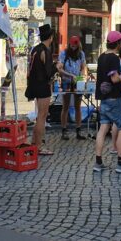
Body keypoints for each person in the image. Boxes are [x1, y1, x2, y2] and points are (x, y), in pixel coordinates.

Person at [93, 31, 121, 173]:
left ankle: (98, 163)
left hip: (103, 99)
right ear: (117, 43)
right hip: (114, 98)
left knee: (103, 128)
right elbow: (115, 79)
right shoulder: (113, 58)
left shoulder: (101, 57)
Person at [25, 24, 55, 155]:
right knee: (42, 117)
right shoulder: (45, 51)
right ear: (51, 37)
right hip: (43, 86)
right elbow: (49, 72)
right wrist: (57, 66)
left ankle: (33, 142)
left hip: (34, 85)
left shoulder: (35, 49)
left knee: (39, 116)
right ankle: (38, 146)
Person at [57, 35, 87, 140]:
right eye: (72, 45)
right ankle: (64, 131)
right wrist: (70, 76)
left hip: (77, 83)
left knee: (78, 107)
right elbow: (59, 69)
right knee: (65, 107)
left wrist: (81, 77)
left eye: (76, 45)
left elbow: (83, 68)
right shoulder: (63, 54)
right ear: (70, 44)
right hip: (66, 82)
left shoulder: (81, 54)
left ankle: (78, 130)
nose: (74, 47)